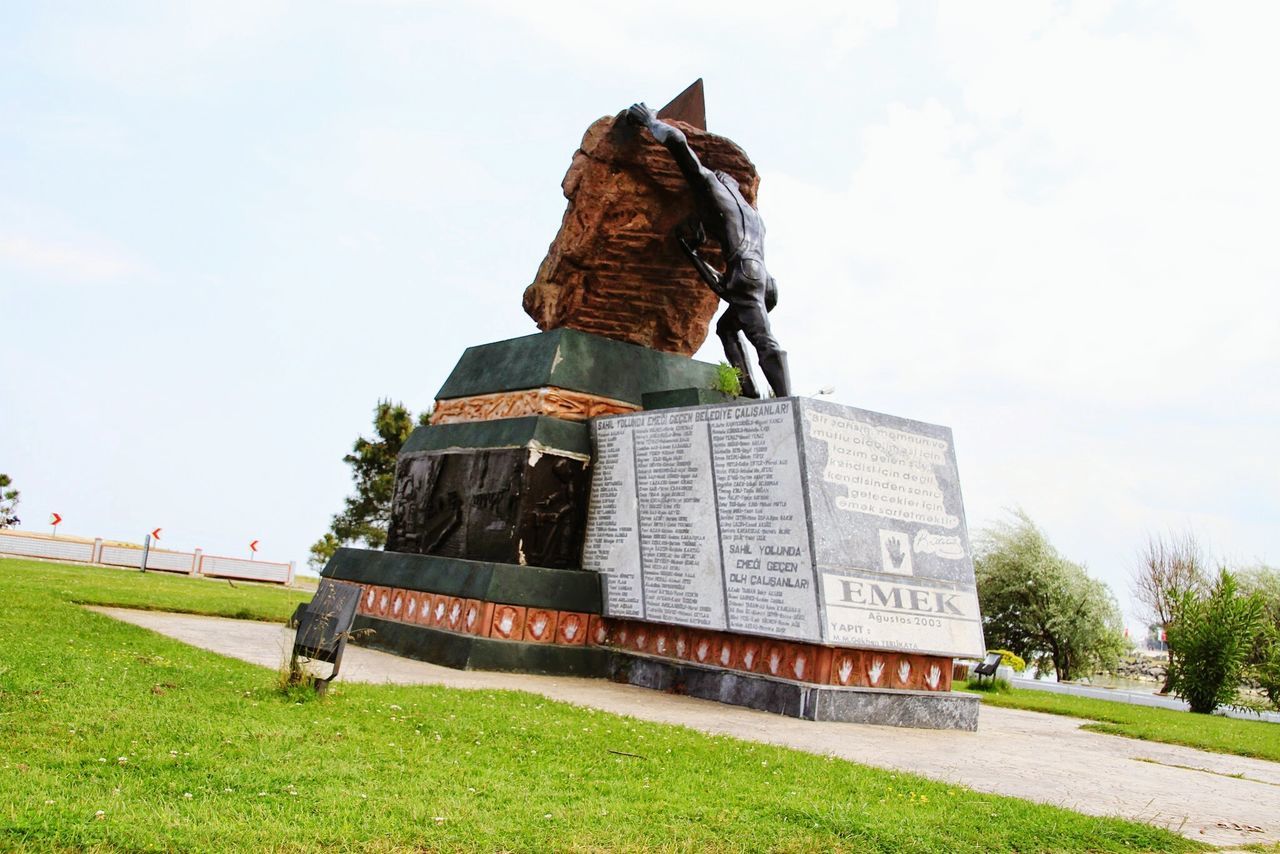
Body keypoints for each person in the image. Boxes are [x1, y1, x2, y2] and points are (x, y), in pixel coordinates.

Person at [626, 102, 790, 398]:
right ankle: (749, 388)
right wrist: (695, 250)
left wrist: (650, 121)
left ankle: (788, 403)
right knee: (727, 328)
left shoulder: (710, 186)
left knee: (763, 339)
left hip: (746, 272)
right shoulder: (751, 214)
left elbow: (677, 141)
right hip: (765, 280)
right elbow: (724, 282)